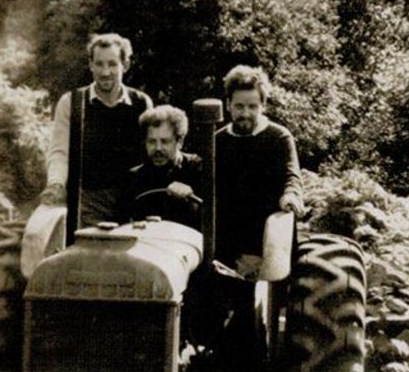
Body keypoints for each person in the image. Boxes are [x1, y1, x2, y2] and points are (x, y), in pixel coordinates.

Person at [40, 33, 152, 230]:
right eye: (99, 64)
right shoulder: (72, 103)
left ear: (124, 65)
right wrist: (56, 184)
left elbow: (152, 152)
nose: (105, 72)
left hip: (134, 201)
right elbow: (60, 152)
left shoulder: (141, 103)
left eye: (112, 64)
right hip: (87, 202)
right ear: (91, 65)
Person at [215, 64, 304, 274]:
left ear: (263, 106)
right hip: (227, 235)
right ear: (228, 105)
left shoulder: (278, 137)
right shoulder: (218, 141)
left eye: (252, 106)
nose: (245, 113)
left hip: (266, 235)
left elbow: (291, 174)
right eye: (239, 106)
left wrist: (291, 195)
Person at [124, 105, 202, 228]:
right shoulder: (134, 177)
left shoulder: (198, 168)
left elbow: (211, 218)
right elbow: (122, 221)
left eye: (165, 141)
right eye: (152, 141)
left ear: (179, 142)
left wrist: (191, 197)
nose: (158, 148)